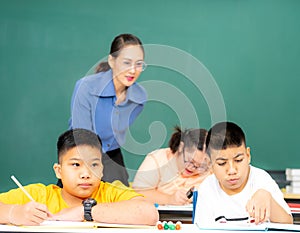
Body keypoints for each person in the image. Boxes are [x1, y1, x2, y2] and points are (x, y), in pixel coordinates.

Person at [0, 128, 158, 226]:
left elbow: (149, 213)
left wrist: (84, 211)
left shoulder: (112, 193)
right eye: (76, 165)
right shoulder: (39, 195)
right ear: (58, 171)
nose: (86, 174)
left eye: (94, 165)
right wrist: (15, 212)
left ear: (102, 169)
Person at [69, 33, 147, 186]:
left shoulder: (139, 98)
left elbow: (116, 136)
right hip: (80, 151)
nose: (133, 70)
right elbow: (82, 136)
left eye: (139, 64)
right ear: (112, 61)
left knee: (123, 203)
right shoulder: (86, 87)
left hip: (112, 156)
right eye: (126, 62)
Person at [194, 121, 293, 226]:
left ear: (248, 155)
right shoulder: (208, 187)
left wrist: (268, 198)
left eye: (239, 160)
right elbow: (200, 228)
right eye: (222, 163)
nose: (232, 170)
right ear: (210, 163)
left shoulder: (262, 180)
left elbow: (288, 223)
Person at [132, 126, 211, 205]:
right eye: (190, 162)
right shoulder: (158, 160)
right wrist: (169, 199)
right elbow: (138, 193)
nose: (193, 168)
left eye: (201, 166)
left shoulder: (213, 169)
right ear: (181, 147)